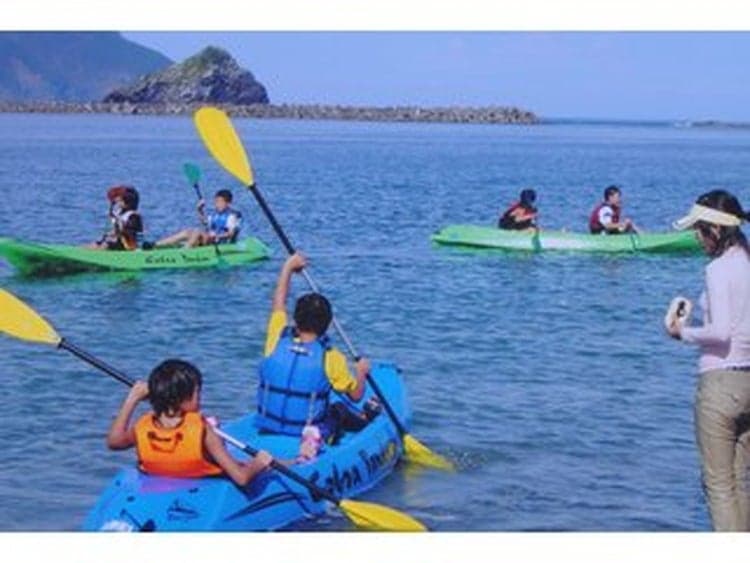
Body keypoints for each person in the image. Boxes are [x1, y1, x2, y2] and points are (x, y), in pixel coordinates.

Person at [666, 189, 750, 531]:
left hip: (719, 384)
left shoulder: (718, 269)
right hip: (748, 382)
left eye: (699, 231)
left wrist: (681, 332)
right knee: (740, 482)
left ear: (715, 229)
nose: (697, 239)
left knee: (718, 486)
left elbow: (721, 332)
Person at [256, 252, 381, 457]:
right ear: (328, 324)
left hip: (269, 425)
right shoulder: (330, 356)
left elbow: (278, 302)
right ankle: (350, 425)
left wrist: (288, 267)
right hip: (304, 428)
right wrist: (361, 372)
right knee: (339, 410)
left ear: (295, 319)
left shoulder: (276, 339)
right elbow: (356, 396)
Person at [107, 358, 273, 485]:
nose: (200, 399)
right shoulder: (202, 429)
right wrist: (259, 463)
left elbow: (114, 442)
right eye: (197, 393)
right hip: (203, 485)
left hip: (161, 483)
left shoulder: (143, 426)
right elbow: (241, 478)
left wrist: (132, 399)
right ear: (183, 398)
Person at [155, 189, 242, 248]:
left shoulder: (232, 216)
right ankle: (156, 245)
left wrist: (216, 236)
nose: (217, 204)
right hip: (209, 240)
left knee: (197, 232)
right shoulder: (214, 215)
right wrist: (199, 210)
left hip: (221, 243)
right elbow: (204, 222)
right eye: (216, 202)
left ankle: (184, 251)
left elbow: (231, 234)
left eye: (220, 202)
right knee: (188, 232)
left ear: (228, 203)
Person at [87, 185, 144, 250]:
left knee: (104, 246)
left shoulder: (133, 217)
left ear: (127, 202)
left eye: (120, 200)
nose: (117, 202)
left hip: (128, 246)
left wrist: (117, 232)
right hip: (118, 243)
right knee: (92, 245)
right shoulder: (119, 214)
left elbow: (130, 234)